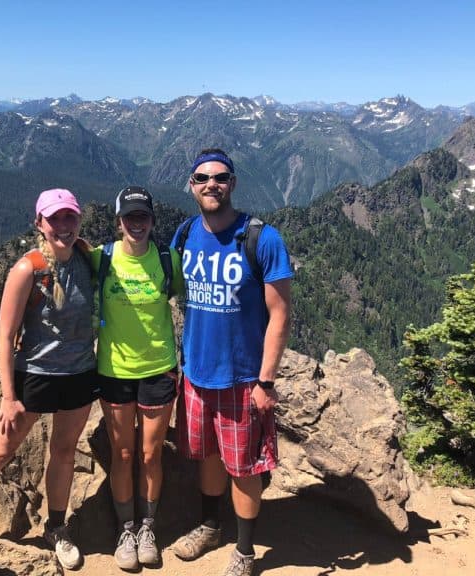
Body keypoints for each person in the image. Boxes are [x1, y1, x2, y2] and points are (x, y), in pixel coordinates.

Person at [0, 188, 96, 570]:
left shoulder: (85, 256)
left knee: (64, 452)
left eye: (69, 217)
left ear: (79, 219)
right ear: (39, 224)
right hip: (34, 377)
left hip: (79, 373)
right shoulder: (26, 269)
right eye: (55, 218)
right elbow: (4, 334)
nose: (63, 225)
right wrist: (8, 396)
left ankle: (57, 527)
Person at [170, 149, 293, 576]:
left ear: (233, 183)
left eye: (220, 178)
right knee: (207, 456)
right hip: (197, 374)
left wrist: (266, 381)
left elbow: (280, 313)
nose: (211, 185)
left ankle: (244, 550)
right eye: (202, 178)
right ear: (191, 185)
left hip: (243, 378)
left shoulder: (262, 238)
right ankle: (209, 525)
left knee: (243, 467)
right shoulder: (185, 235)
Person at [93, 186, 183, 570]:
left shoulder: (167, 258)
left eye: (143, 216)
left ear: (151, 220)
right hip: (114, 370)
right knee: (123, 453)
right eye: (130, 217)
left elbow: (184, 298)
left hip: (158, 368)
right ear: (118, 221)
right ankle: (125, 529)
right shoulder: (101, 258)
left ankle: (147, 527)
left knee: (150, 454)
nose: (137, 224)